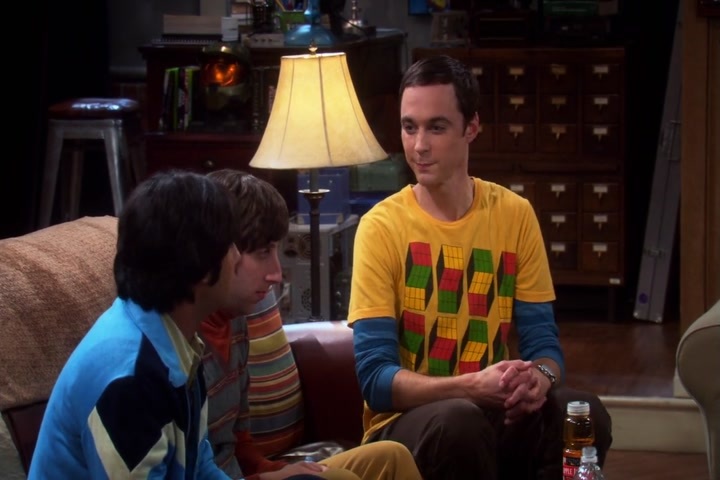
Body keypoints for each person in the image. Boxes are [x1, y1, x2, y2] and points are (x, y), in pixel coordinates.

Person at [347, 55, 613, 480]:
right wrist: (470, 388)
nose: (419, 146)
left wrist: (540, 380)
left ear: (471, 127)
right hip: (408, 424)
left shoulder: (514, 215)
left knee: (583, 414)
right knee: (460, 420)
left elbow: (545, 347)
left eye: (436, 127)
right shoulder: (381, 227)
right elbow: (376, 381)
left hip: (494, 411)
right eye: (409, 127)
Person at [29, 170, 317, 479]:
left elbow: (201, 468)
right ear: (201, 265)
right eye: (230, 246)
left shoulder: (177, 341)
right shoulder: (129, 379)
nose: (236, 258)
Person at [199, 169, 423, 480]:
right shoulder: (181, 340)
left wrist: (276, 470)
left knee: (391, 455)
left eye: (276, 251)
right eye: (263, 253)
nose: (277, 274)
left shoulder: (236, 320)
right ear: (221, 252)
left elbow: (241, 446)